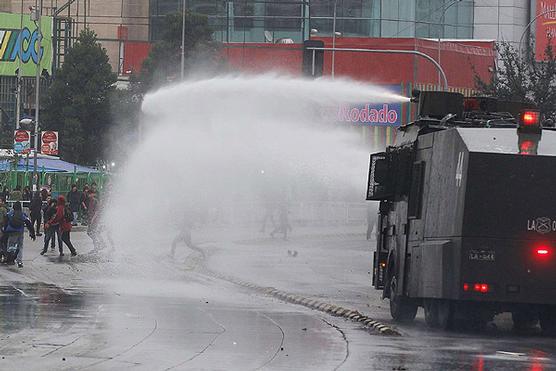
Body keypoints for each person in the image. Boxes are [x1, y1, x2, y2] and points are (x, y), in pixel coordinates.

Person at [3, 202, 36, 267]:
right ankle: (19, 261)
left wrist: (5, 231)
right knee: (20, 246)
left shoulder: (10, 213)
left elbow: (5, 222)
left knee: (10, 245)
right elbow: (28, 223)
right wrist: (32, 233)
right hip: (20, 232)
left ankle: (11, 259)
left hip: (11, 232)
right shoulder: (22, 214)